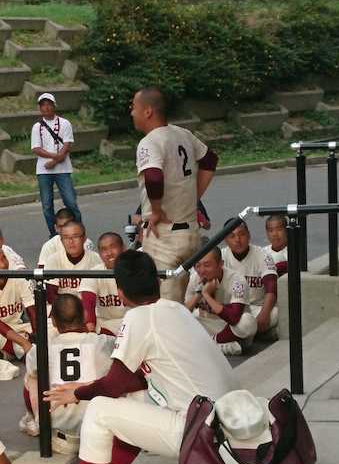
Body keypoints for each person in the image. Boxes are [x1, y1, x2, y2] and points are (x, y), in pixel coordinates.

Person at [36, 251, 234, 464]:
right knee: (131, 400)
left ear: (120, 292)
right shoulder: (174, 307)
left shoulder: (139, 317)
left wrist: (77, 394)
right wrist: (84, 388)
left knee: (100, 409)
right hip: (223, 423)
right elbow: (135, 382)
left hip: (200, 433)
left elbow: (113, 384)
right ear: (156, 282)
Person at [131, 87, 219, 303]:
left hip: (165, 235)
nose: (131, 112)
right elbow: (210, 160)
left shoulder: (150, 141)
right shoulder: (183, 134)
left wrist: (157, 210)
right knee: (177, 302)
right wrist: (194, 196)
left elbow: (153, 176)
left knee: (164, 306)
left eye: (134, 107)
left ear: (148, 111)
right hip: (189, 233)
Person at [21, 294, 119, 445]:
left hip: (60, 437)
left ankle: (39, 423)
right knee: (117, 370)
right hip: (99, 433)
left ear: (53, 321)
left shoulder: (41, 349)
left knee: (31, 377)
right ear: (85, 315)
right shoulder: (104, 342)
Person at [185, 248, 257, 355]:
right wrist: (199, 293)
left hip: (232, 330)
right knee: (179, 323)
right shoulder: (194, 279)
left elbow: (234, 318)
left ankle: (209, 345)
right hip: (207, 325)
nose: (202, 270)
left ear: (221, 264)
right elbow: (184, 313)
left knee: (247, 322)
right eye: (197, 266)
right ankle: (222, 348)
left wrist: (206, 295)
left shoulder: (237, 280)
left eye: (207, 265)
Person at [31, 93, 80, 236]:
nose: (46, 107)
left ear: (54, 105)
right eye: (43, 105)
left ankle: (77, 229)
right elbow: (36, 148)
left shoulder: (65, 123)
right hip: (43, 170)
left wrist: (55, 161)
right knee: (47, 205)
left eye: (48, 104)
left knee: (70, 202)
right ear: (40, 108)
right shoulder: (37, 127)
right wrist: (54, 156)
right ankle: (54, 233)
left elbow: (67, 144)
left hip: (63, 169)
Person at [0, 246, 37, 360]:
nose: (2, 264)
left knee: (49, 325)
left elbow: (32, 311)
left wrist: (38, 336)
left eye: (3, 258)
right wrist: (24, 343)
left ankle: (4, 355)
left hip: (20, 327)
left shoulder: (19, 279)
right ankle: (18, 353)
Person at [222, 221, 279, 335]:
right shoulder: (222, 256)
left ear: (249, 235)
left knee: (275, 313)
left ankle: (239, 336)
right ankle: (248, 336)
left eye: (241, 234)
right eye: (232, 236)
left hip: (256, 308)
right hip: (231, 309)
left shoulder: (262, 254)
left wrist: (265, 313)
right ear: (225, 240)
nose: (237, 239)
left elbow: (271, 287)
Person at [79, 232, 127, 335]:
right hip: (105, 326)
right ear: (99, 253)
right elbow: (88, 307)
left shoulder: (136, 270)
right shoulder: (94, 273)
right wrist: (91, 333)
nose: (109, 253)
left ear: (123, 248)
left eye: (113, 247)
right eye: (104, 249)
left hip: (132, 323)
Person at [43, 220, 103, 298]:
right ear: (61, 240)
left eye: (75, 236)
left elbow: (99, 294)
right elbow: (51, 297)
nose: (71, 241)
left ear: (84, 238)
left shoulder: (96, 259)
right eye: (66, 237)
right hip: (61, 307)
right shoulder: (53, 260)